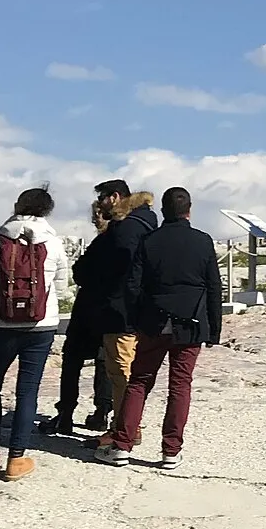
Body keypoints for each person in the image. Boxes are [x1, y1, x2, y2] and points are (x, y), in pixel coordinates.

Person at [99, 186, 223, 468]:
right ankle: (171, 451)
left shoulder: (149, 241)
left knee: (140, 380)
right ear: (189, 210)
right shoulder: (202, 241)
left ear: (164, 212)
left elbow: (133, 285)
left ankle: (122, 446)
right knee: (180, 385)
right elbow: (214, 287)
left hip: (153, 322)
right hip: (190, 323)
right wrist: (214, 329)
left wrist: (134, 320)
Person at [0, 188, 68, 481]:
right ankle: (17, 459)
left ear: (16, 206)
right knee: (27, 392)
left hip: (1, 326)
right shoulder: (54, 244)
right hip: (41, 327)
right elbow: (61, 288)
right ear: (47, 211)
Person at [48, 181, 157, 442]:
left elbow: (94, 270)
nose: (100, 207)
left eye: (102, 199)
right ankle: (110, 416)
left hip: (109, 307)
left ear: (115, 198)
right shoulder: (146, 224)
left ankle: (121, 426)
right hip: (122, 308)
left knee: (112, 365)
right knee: (110, 363)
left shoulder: (123, 230)